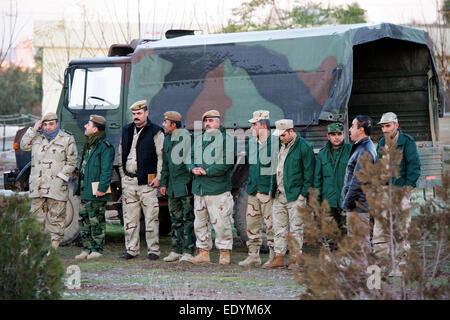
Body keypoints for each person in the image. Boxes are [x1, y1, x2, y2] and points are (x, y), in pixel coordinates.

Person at [20, 112, 78, 250]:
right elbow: (23, 145)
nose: (48, 127)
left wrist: (60, 178)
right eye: (45, 124)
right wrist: (34, 129)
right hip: (38, 186)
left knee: (56, 218)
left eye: (51, 124)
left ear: (57, 124)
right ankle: (30, 249)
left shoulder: (67, 139)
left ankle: (53, 249)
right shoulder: (36, 138)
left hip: (56, 187)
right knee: (35, 219)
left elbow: (72, 162)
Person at [373, 112, 421, 275]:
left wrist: (407, 190)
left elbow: (414, 167)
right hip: (384, 192)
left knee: (401, 229)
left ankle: (402, 264)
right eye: (383, 127)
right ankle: (383, 263)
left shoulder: (407, 142)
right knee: (379, 230)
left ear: (396, 125)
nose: (385, 130)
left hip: (400, 191)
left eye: (388, 126)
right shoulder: (381, 142)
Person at [186, 109, 235, 265]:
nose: (208, 124)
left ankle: (224, 254)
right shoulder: (199, 139)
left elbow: (226, 162)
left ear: (219, 122)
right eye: (206, 121)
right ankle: (203, 253)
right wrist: (192, 168)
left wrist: (207, 172)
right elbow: (189, 157)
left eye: (211, 120)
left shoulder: (227, 139)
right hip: (199, 189)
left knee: (221, 223)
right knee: (200, 224)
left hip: (217, 189)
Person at [264, 119, 315, 269]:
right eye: (279, 135)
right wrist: (272, 189)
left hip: (295, 195)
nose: (281, 138)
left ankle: (295, 259)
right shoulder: (281, 147)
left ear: (291, 131)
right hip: (280, 194)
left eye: (283, 135)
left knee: (296, 228)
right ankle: (279, 257)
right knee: (278, 227)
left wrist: (303, 195)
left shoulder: (304, 147)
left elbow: (309, 173)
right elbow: (276, 169)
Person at [118, 100, 165, 260]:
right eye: (134, 114)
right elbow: (121, 153)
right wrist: (123, 176)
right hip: (129, 181)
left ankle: (153, 250)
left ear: (146, 113)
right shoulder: (127, 130)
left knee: (151, 217)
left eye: (139, 113)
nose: (136, 117)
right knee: (130, 218)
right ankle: (131, 250)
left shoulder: (156, 131)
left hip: (147, 182)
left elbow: (161, 157)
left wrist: (158, 178)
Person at [73, 115, 115, 260]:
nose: (85, 126)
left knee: (96, 220)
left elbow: (107, 170)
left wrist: (103, 188)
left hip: (97, 189)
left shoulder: (105, 146)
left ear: (95, 129)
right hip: (85, 189)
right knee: (84, 219)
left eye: (88, 124)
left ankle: (97, 249)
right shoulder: (89, 144)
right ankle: (86, 248)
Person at [238, 110, 275, 267]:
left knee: (271, 225)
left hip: (268, 191)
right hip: (253, 190)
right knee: (252, 224)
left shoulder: (275, 142)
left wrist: (273, 190)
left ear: (264, 125)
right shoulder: (252, 143)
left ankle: (274, 257)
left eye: (254, 124)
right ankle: (253, 255)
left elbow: (277, 169)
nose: (252, 127)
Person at [160, 111, 196, 263]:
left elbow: (191, 160)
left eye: (166, 122)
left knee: (188, 219)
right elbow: (166, 164)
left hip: (185, 185)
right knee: (175, 220)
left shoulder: (186, 138)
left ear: (173, 125)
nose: (163, 124)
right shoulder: (167, 139)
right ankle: (176, 250)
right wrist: (163, 183)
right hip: (172, 187)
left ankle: (188, 251)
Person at [341, 115, 377, 245]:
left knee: (359, 245)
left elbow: (357, 183)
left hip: (358, 206)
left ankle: (360, 266)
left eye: (352, 126)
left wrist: (347, 203)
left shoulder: (365, 150)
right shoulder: (362, 147)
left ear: (361, 129)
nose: (349, 129)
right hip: (357, 205)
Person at [313, 123, 352, 236]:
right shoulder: (322, 154)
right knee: (329, 234)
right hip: (328, 200)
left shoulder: (351, 151)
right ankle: (332, 253)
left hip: (345, 199)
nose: (336, 137)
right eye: (333, 134)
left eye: (339, 134)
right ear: (328, 136)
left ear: (344, 135)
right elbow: (317, 179)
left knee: (347, 233)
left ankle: (346, 253)